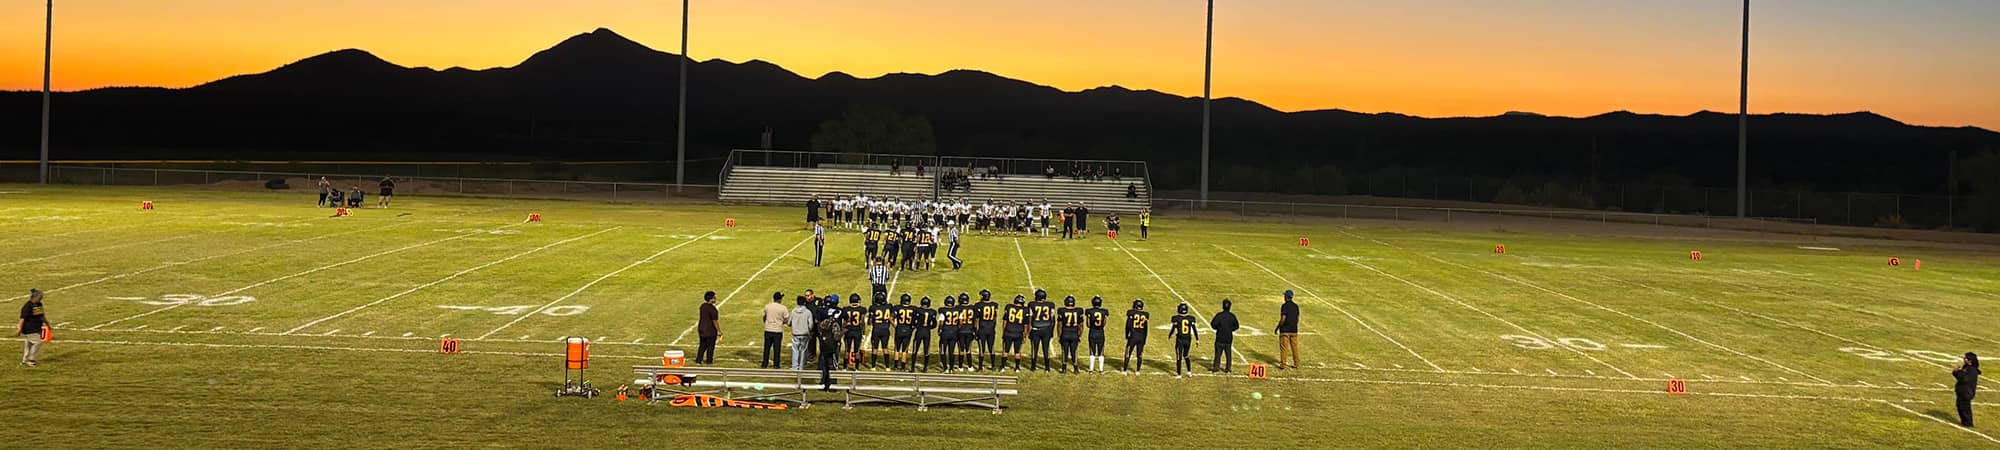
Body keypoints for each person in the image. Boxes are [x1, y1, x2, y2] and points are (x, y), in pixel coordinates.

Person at [816, 302, 846, 391]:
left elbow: (819, 329)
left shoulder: (823, 323)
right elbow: (836, 337)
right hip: (832, 348)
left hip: (823, 347)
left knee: (824, 366)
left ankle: (823, 383)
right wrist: (843, 332)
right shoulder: (835, 324)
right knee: (832, 365)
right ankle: (832, 384)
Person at [1168, 303, 1200, 378]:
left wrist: (1170, 334)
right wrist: (1197, 339)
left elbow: (1174, 327)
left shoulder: (1176, 318)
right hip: (1188, 339)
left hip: (1180, 340)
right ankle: (1189, 372)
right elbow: (1194, 329)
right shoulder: (1191, 318)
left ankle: (1179, 374)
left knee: (1179, 356)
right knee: (1186, 355)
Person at [1027, 290, 1056, 371]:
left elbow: (1030, 317)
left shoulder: (1032, 304)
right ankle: (1047, 367)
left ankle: (1033, 367)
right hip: (1046, 329)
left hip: (1036, 329)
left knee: (1034, 348)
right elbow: (1053, 318)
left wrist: (1029, 330)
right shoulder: (1050, 304)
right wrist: (1051, 330)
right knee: (1046, 348)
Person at [18, 289, 47, 367]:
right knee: (38, 342)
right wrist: (19, 329)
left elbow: (42, 315)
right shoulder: (27, 306)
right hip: (29, 328)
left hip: (36, 327)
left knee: (29, 343)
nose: (42, 297)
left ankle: (25, 360)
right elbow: (22, 318)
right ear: (35, 297)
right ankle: (31, 360)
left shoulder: (39, 304)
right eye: (40, 296)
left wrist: (47, 324)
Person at [1056, 295, 1084, 374]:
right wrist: (1079, 335)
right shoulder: (1079, 311)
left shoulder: (1062, 311)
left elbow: (1059, 325)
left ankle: (1064, 368)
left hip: (1065, 333)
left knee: (1064, 351)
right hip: (1074, 333)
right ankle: (1076, 368)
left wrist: (1059, 335)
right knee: (1074, 351)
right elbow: (1081, 325)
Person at [1001, 294, 1029, 372]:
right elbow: (1026, 325)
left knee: (1005, 350)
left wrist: (1004, 331)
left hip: (1008, 331)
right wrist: (1025, 335)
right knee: (1017, 351)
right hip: (1019, 333)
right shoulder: (1025, 310)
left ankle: (1002, 367)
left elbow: (1005, 321)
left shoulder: (1009, 307)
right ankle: (1017, 367)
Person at [1211, 299, 1240, 373]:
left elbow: (1213, 325)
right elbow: (1236, 326)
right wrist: (1230, 330)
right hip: (1228, 337)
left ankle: (1216, 367)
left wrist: (1219, 328)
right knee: (1228, 353)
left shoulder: (1219, 315)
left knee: (1218, 353)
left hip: (1220, 336)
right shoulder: (1232, 316)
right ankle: (1228, 368)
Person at [761, 291, 789, 368]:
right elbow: (786, 319)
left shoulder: (767, 306)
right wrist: (781, 323)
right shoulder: (783, 308)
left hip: (768, 330)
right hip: (777, 331)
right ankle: (776, 365)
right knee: (777, 349)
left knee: (766, 348)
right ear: (780, 299)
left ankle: (764, 364)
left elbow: (764, 317)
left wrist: (767, 323)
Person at [868, 294, 896, 369]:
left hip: (876, 329)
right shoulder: (889, 306)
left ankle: (873, 367)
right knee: (885, 348)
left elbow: (869, 322)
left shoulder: (873, 308)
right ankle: (887, 367)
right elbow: (892, 317)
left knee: (875, 348)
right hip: (885, 329)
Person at [840, 296, 868, 370]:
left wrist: (842, 332)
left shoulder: (845, 309)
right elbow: (862, 322)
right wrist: (864, 333)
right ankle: (857, 368)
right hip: (857, 331)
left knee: (847, 350)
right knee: (857, 350)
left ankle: (845, 368)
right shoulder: (861, 309)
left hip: (848, 331)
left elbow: (844, 322)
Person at [1123, 299, 1150, 374]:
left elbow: (1128, 325)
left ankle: (1125, 370)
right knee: (1140, 354)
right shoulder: (1145, 315)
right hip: (1141, 336)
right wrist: (1145, 338)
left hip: (1133, 336)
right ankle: (1138, 371)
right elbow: (1146, 328)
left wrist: (1126, 334)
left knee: (1128, 352)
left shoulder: (1131, 313)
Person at [1276, 290, 1301, 370]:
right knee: (1295, 347)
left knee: (1284, 347)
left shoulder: (1284, 306)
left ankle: (1283, 364)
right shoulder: (1296, 306)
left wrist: (1278, 327)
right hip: (1294, 330)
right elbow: (1297, 319)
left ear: (1286, 297)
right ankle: (1296, 363)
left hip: (1285, 330)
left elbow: (1283, 319)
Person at [789, 295, 815, 371]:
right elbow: (811, 324)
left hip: (795, 333)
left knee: (795, 350)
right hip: (805, 334)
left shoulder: (793, 311)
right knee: (804, 351)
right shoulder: (808, 312)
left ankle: (794, 366)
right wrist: (808, 330)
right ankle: (802, 367)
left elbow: (789, 322)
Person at [1085, 296, 1110, 374]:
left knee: (1092, 351)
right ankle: (1101, 369)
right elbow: (1104, 323)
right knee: (1101, 351)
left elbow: (1088, 324)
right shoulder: (1104, 311)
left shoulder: (1089, 311)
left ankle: (1091, 369)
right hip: (1100, 332)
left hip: (1092, 332)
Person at [976, 290, 999, 371]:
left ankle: (980, 367)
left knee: (981, 348)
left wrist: (976, 330)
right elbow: (995, 318)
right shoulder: (994, 305)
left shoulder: (978, 305)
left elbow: (977, 319)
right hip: (991, 329)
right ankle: (993, 366)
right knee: (991, 348)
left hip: (982, 329)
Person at [892, 294, 917, 370]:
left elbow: (890, 317)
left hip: (899, 329)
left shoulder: (897, 308)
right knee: (905, 350)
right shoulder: (913, 309)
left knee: (897, 348)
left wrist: (894, 325)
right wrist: (913, 327)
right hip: (908, 330)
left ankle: (896, 366)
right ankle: (903, 367)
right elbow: (916, 320)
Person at [696, 291, 721, 365]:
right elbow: (715, 321)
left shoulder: (702, 306)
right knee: (710, 346)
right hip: (710, 331)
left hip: (701, 329)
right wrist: (719, 331)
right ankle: (709, 360)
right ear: (711, 299)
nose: (715, 299)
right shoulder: (713, 309)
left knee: (702, 345)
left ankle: (699, 360)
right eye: (714, 297)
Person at [913, 296, 937, 372]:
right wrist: (929, 327)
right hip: (927, 332)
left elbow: (914, 321)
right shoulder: (932, 312)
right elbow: (934, 324)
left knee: (915, 349)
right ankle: (925, 368)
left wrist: (917, 326)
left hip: (919, 331)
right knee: (926, 350)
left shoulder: (918, 310)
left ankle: (912, 367)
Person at [1958, 352, 1982, 428]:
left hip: (1967, 392)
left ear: (1970, 361)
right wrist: (1956, 372)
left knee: (1965, 408)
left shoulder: (1972, 370)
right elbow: (1960, 377)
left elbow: (1965, 379)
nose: (1964, 359)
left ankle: (1968, 423)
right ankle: (1964, 422)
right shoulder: (1966, 367)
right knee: (1960, 406)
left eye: (1966, 358)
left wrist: (1959, 372)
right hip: (1962, 391)